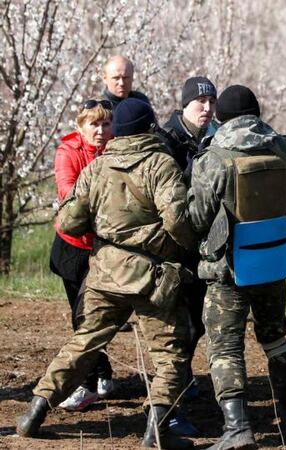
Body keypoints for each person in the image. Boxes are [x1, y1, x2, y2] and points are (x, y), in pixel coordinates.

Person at [16, 98, 197, 449]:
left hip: (104, 275)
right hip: (150, 277)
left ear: (119, 131)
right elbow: (177, 221)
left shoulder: (98, 167)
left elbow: (68, 220)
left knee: (84, 342)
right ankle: (157, 432)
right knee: (170, 352)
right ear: (149, 128)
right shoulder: (160, 164)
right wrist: (186, 247)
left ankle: (35, 411)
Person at [188, 85, 286, 447]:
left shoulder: (212, 157)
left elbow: (197, 218)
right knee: (276, 340)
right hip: (273, 262)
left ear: (220, 118)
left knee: (225, 347)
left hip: (227, 270)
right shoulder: (284, 146)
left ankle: (237, 429)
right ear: (257, 113)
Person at [155, 75, 218, 436]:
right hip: (172, 249)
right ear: (184, 105)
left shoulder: (213, 137)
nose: (207, 108)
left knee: (194, 324)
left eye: (211, 102)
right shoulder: (167, 140)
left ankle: (182, 379)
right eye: (200, 102)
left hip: (201, 248)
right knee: (177, 330)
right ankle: (168, 407)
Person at [47, 98, 116, 412]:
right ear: (81, 126)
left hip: (106, 247)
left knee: (97, 315)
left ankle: (102, 374)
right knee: (83, 318)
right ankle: (90, 381)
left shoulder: (116, 148)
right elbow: (68, 194)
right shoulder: (68, 152)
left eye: (106, 124)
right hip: (74, 247)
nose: (101, 131)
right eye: (94, 124)